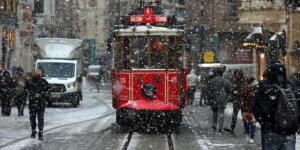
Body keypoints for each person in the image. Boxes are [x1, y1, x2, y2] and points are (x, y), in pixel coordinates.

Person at [252, 62, 300, 150]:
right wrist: (295, 125)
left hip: (271, 131)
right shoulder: (290, 86)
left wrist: (264, 124)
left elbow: (255, 107)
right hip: (289, 131)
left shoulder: (263, 86)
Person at [26, 70, 50, 140]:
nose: (37, 75)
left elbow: (48, 91)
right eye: (37, 74)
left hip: (38, 103)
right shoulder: (31, 82)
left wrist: (43, 96)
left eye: (38, 74)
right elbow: (27, 90)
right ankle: (37, 132)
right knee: (36, 118)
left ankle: (38, 132)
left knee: (37, 118)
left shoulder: (42, 82)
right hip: (35, 103)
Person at [207, 68, 231, 133]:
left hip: (214, 97)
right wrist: (227, 97)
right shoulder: (225, 81)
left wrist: (210, 98)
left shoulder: (212, 80)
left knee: (215, 112)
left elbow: (209, 90)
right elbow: (229, 89)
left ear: (216, 73)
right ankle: (221, 127)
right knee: (221, 113)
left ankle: (214, 124)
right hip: (222, 97)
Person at [225, 69, 246, 134]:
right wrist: (233, 90)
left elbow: (241, 91)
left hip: (242, 100)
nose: (236, 75)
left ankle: (246, 128)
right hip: (237, 99)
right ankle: (232, 128)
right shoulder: (235, 80)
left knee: (244, 115)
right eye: (235, 74)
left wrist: (234, 91)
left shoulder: (243, 81)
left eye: (237, 74)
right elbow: (235, 89)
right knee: (235, 115)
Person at [241, 77, 257, 144]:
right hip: (245, 109)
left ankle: (252, 137)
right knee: (246, 123)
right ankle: (247, 133)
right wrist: (248, 89)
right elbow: (242, 95)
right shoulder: (245, 88)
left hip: (253, 109)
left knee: (253, 124)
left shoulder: (256, 89)